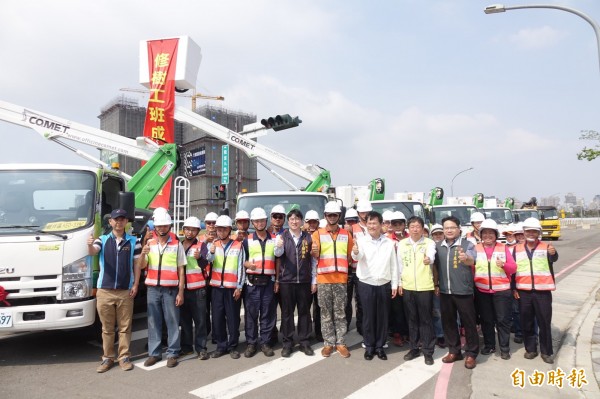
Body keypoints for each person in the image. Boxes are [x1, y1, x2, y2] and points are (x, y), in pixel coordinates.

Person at [88, 209, 141, 373]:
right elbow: (93, 252)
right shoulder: (102, 240)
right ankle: (107, 358)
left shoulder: (134, 241)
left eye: (122, 219)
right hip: (105, 291)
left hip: (125, 291)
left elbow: (138, 264)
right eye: (116, 219)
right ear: (110, 222)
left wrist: (136, 284)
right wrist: (89, 244)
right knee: (107, 328)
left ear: (126, 222)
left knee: (125, 327)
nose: (119, 222)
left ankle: (124, 357)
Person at [140, 211, 187, 368]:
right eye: (159, 226)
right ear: (155, 227)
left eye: (165, 226)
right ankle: (154, 353)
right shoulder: (149, 245)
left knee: (172, 321)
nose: (161, 228)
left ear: (169, 227)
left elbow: (181, 270)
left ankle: (173, 353)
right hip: (153, 288)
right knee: (153, 321)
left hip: (170, 289)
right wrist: (142, 254)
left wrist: (181, 292)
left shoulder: (176, 245)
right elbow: (141, 266)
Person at [434, 215, 479, 369]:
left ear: (459, 229)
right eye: (446, 228)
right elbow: (435, 267)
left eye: (452, 227)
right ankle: (454, 351)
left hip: (463, 290)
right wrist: (436, 284)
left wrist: (465, 258)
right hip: (445, 291)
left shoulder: (468, 245)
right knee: (448, 322)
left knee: (469, 323)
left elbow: (472, 261)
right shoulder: (438, 246)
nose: (449, 230)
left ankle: (471, 354)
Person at [352, 211, 398, 361]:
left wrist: (395, 284)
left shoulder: (388, 243)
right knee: (368, 316)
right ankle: (369, 346)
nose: (372, 226)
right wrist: (355, 252)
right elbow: (357, 257)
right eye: (369, 223)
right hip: (366, 283)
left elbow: (394, 265)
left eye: (374, 223)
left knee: (383, 316)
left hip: (384, 283)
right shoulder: (362, 241)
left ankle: (380, 346)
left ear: (381, 224)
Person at [311, 201, 354, 358]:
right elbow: (314, 255)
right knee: (326, 313)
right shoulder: (318, 234)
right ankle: (328, 343)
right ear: (325, 216)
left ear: (339, 216)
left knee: (340, 312)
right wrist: (314, 252)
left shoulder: (346, 235)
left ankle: (341, 342)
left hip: (341, 280)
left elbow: (350, 256)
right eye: (329, 215)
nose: (332, 217)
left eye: (335, 214)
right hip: (323, 279)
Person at [514, 217, 558, 364]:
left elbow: (554, 258)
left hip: (542, 292)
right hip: (524, 291)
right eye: (528, 231)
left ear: (538, 232)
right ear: (524, 232)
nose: (531, 233)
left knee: (544, 322)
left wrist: (553, 253)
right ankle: (531, 349)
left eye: (534, 231)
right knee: (526, 321)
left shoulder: (546, 247)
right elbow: (513, 271)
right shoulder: (517, 248)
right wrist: (514, 288)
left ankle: (546, 352)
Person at [274, 208, 316, 357]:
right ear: (288, 221)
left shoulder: (308, 238)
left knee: (304, 312)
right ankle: (287, 343)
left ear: (301, 221)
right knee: (287, 313)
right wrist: (278, 246)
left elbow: (313, 260)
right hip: (287, 281)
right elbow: (277, 254)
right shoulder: (282, 236)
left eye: (297, 219)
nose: (294, 221)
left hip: (304, 281)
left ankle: (304, 342)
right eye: (291, 219)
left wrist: (313, 280)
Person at [473, 219, 516, 360]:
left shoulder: (503, 248)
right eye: (485, 233)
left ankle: (504, 348)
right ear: (481, 235)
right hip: (482, 291)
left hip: (502, 291)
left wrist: (504, 265)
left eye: (491, 233)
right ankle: (489, 345)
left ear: (496, 234)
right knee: (486, 320)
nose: (487, 236)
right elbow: (471, 268)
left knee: (502, 320)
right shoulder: (476, 248)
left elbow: (513, 268)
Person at [398, 216, 437, 366]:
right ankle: (414, 348)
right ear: (408, 228)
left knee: (426, 320)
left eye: (418, 226)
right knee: (412, 319)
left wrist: (429, 259)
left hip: (425, 286)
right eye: (412, 226)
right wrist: (400, 283)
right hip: (408, 287)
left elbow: (431, 255)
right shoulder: (402, 244)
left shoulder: (429, 242)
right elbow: (399, 264)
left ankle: (428, 351)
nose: (415, 229)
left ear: (422, 228)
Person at [206, 215, 245, 359]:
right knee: (217, 318)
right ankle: (221, 346)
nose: (221, 232)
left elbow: (241, 267)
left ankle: (233, 346)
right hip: (216, 288)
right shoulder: (214, 245)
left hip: (231, 288)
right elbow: (208, 261)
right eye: (219, 229)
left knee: (233, 318)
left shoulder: (238, 245)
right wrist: (210, 252)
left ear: (229, 230)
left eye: (224, 229)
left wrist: (239, 287)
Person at [242, 207, 278, 358]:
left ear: (266, 221)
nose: (260, 223)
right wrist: (247, 264)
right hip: (252, 284)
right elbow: (240, 261)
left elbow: (279, 261)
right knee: (251, 315)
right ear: (253, 223)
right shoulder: (247, 241)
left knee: (267, 314)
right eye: (256, 221)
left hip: (269, 283)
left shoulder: (275, 240)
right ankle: (251, 343)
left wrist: (277, 281)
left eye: (262, 220)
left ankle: (265, 343)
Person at [179, 216, 210, 360]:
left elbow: (206, 265)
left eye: (193, 230)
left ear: (197, 231)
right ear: (184, 230)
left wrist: (199, 258)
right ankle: (186, 347)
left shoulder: (201, 246)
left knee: (200, 320)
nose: (190, 232)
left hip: (198, 289)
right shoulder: (178, 245)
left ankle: (201, 347)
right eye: (187, 229)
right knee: (184, 320)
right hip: (182, 289)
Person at [348, 200, 371, 337]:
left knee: (362, 301)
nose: (365, 214)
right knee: (348, 301)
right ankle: (348, 325)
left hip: (368, 270)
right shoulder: (352, 228)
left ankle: (363, 327)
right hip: (354, 270)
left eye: (367, 212)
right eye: (362, 212)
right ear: (358, 213)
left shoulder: (374, 227)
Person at [386, 211, 409, 347]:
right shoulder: (387, 239)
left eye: (400, 223)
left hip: (409, 277)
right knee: (396, 308)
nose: (398, 226)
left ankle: (409, 332)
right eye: (394, 224)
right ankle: (397, 334)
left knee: (409, 307)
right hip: (393, 277)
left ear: (404, 224)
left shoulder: (412, 237)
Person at [305, 210, 323, 342]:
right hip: (305, 278)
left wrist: (315, 280)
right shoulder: (302, 236)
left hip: (320, 276)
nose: (312, 225)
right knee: (305, 307)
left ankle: (318, 332)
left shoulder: (322, 236)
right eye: (309, 222)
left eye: (314, 222)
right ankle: (306, 333)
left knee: (319, 307)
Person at [429, 224, 446, 348]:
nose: (438, 236)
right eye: (435, 234)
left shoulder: (448, 247)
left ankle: (451, 334)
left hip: (450, 285)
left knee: (451, 312)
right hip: (436, 285)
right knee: (437, 312)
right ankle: (440, 335)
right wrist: (436, 284)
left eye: (440, 233)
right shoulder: (431, 248)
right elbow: (434, 268)